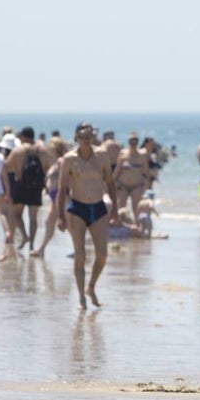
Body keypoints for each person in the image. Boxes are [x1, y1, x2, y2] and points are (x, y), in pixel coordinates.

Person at [57, 122, 119, 309]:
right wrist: (60, 215)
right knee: (80, 255)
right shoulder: (69, 159)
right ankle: (81, 298)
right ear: (76, 138)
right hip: (77, 209)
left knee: (102, 254)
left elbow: (110, 181)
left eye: (89, 136)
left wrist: (115, 207)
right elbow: (62, 189)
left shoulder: (101, 155)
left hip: (98, 207)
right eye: (82, 137)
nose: (86, 140)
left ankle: (91, 287)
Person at [3, 127, 52, 253]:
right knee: (33, 217)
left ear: (23, 136)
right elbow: (49, 167)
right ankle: (31, 245)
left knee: (16, 213)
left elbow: (7, 166)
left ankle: (24, 236)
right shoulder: (42, 149)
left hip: (21, 185)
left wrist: (17, 171)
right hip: (36, 187)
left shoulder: (18, 150)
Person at [115, 133, 151, 214]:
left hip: (137, 186)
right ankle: (121, 225)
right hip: (123, 185)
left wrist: (147, 187)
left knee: (136, 208)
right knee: (121, 208)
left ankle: (136, 224)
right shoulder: (123, 155)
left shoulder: (142, 155)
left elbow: (146, 173)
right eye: (131, 141)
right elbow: (117, 171)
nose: (133, 143)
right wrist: (113, 184)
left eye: (135, 141)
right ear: (128, 142)